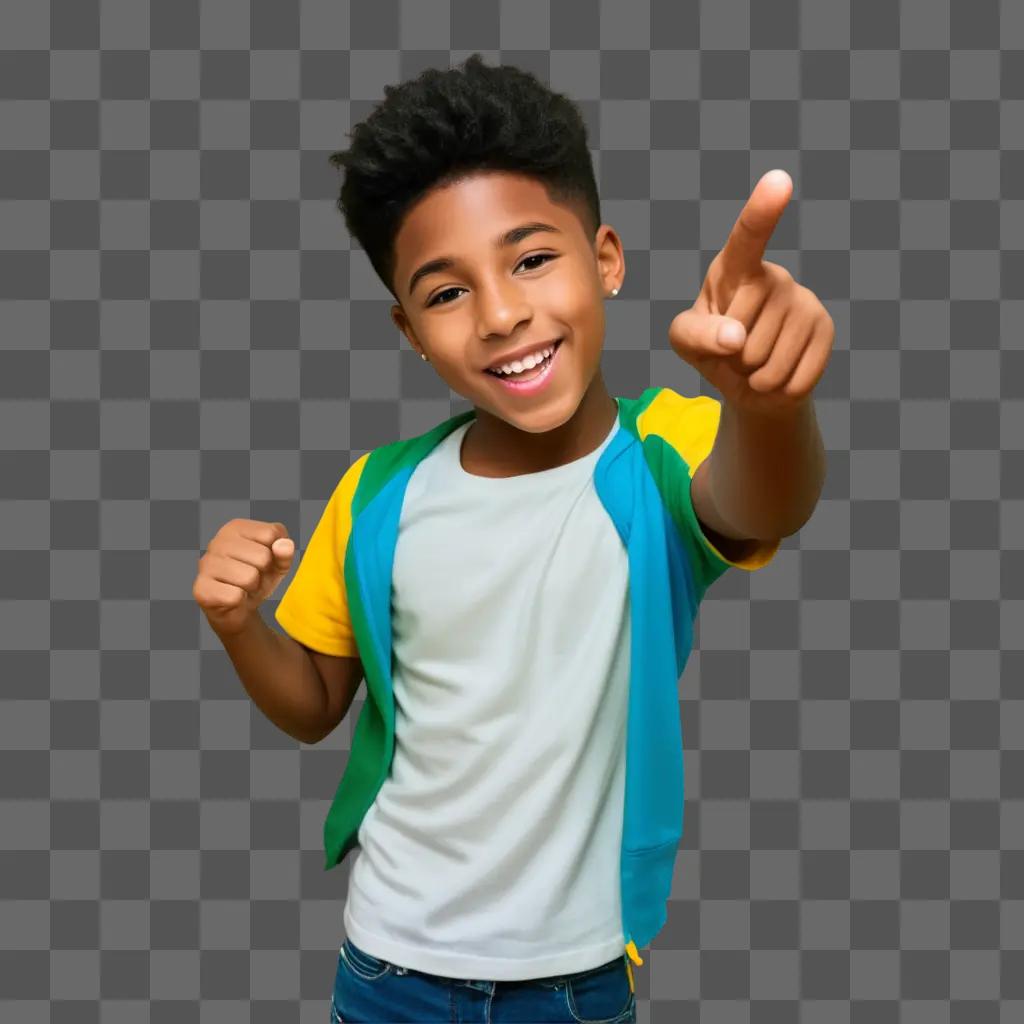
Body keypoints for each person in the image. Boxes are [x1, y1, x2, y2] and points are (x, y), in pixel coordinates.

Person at [192, 53, 832, 1024]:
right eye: (446, 294)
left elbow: (761, 501)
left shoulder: (664, 453)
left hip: (570, 982)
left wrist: (768, 406)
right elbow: (319, 701)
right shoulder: (377, 493)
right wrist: (242, 623)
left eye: (533, 258)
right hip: (383, 967)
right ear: (410, 328)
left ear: (604, 258)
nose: (500, 315)